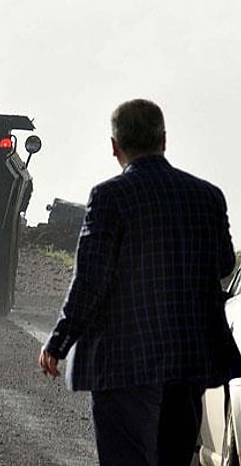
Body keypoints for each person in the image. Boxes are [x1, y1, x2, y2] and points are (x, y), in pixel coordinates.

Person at [38, 99, 241, 466]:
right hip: (187, 358)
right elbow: (225, 263)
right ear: (164, 140)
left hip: (123, 361)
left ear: (114, 146)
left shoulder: (109, 197)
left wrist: (59, 341)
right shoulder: (208, 196)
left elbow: (91, 279)